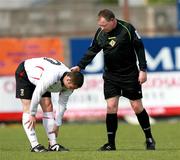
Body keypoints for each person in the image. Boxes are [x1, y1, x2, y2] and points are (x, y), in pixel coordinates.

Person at [71, 9, 155, 151]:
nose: (102, 28)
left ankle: (149, 138)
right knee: (111, 106)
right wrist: (80, 66)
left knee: (136, 107)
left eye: (104, 25)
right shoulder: (100, 32)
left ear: (112, 21)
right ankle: (111, 143)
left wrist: (143, 70)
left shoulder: (127, 29)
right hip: (111, 76)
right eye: (100, 25)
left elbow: (139, 49)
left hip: (129, 75)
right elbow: (92, 50)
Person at [15, 57, 84, 152]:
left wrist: (57, 123)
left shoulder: (70, 84)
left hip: (41, 77)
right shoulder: (52, 76)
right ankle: (35, 145)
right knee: (28, 107)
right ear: (68, 79)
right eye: (72, 87)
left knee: (48, 106)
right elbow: (37, 93)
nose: (72, 90)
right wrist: (32, 114)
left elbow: (62, 103)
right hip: (25, 73)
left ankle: (53, 144)